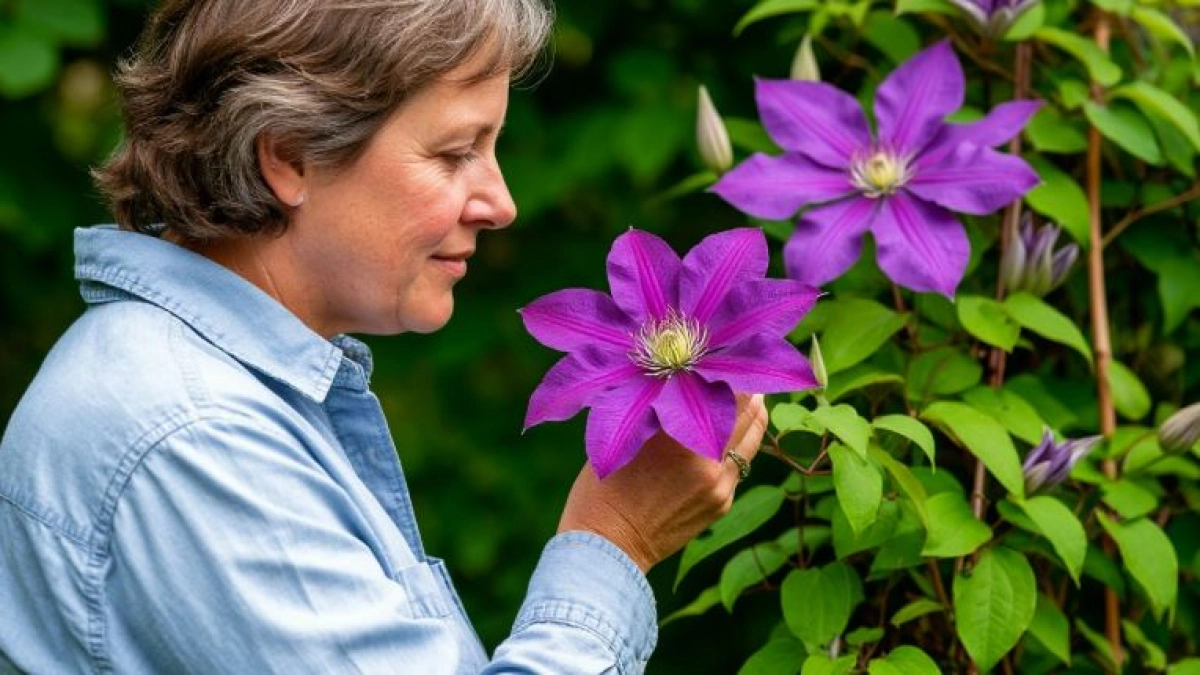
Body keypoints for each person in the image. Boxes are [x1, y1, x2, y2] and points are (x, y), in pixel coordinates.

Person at [0, 1, 768, 672]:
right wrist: (615, 539)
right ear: (290, 157)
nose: (501, 203)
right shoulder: (193, 437)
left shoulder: (203, 389)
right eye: (454, 152)